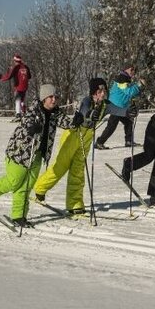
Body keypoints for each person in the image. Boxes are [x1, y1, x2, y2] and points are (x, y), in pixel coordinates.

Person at [0, 84, 70, 227]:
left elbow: (68, 123)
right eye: (51, 97)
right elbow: (26, 121)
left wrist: (81, 119)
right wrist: (32, 127)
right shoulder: (34, 110)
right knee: (14, 181)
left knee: (27, 185)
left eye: (56, 97)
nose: (54, 100)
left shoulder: (56, 113)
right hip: (20, 152)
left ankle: (19, 216)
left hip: (37, 154)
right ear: (43, 98)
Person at [33, 78, 108, 214]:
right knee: (60, 168)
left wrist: (128, 111)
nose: (102, 94)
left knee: (78, 171)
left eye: (104, 91)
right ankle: (40, 188)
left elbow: (119, 110)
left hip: (86, 140)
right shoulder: (87, 101)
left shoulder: (104, 105)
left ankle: (75, 204)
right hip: (73, 136)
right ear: (93, 92)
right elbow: (84, 110)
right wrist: (91, 114)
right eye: (99, 91)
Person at [94, 65, 144, 149]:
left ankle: (129, 141)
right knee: (112, 126)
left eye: (135, 70)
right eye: (131, 69)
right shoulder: (121, 79)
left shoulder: (126, 79)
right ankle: (99, 142)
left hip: (121, 107)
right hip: (115, 106)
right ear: (125, 69)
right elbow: (129, 91)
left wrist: (138, 89)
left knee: (128, 122)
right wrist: (139, 85)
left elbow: (130, 92)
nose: (133, 71)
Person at [0, 53, 31, 119]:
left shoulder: (16, 67)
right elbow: (29, 76)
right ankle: (23, 113)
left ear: (15, 61)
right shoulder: (26, 67)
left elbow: (9, 77)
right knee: (22, 100)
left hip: (18, 86)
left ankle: (18, 114)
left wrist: (1, 77)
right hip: (25, 86)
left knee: (17, 100)